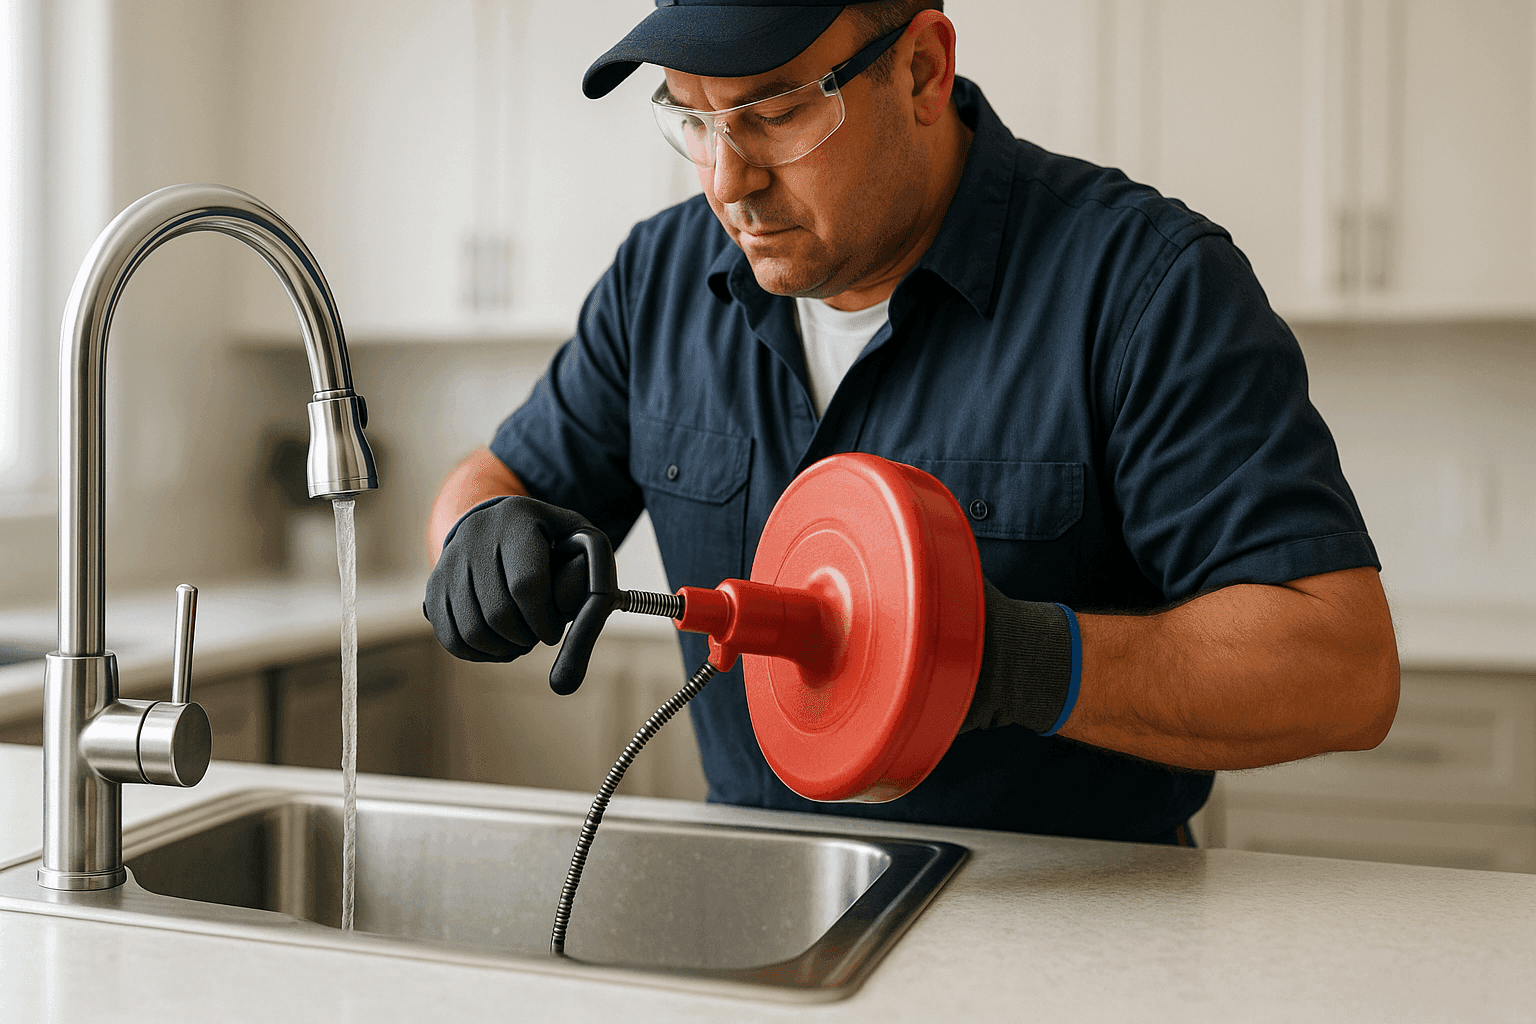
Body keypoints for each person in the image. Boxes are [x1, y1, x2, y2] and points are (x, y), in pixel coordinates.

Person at [423, 0, 1400, 845]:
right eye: (692, 118)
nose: (726, 180)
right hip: (759, 913)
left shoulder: (1144, 284)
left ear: (923, 69)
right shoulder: (658, 283)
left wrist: (1013, 661)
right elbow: (494, 483)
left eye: (775, 113)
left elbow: (1341, 666)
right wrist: (478, 535)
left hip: (1079, 939)